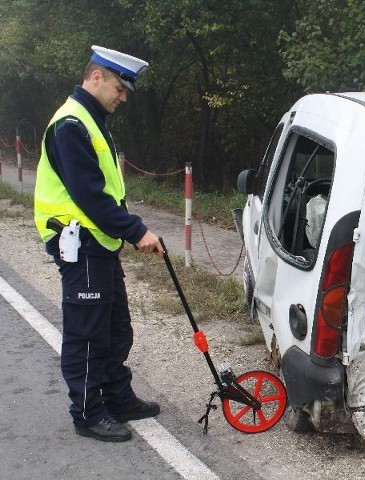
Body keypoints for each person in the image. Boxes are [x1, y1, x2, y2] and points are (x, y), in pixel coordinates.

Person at [34, 45, 163, 442]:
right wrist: (137, 230)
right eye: (119, 87)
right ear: (96, 77)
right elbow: (90, 194)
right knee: (87, 333)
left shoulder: (91, 119)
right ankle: (88, 414)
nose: (123, 96)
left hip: (99, 242)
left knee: (115, 327)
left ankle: (117, 397)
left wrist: (125, 228)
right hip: (80, 241)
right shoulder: (71, 124)